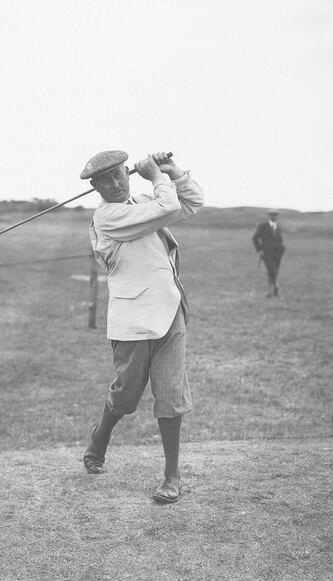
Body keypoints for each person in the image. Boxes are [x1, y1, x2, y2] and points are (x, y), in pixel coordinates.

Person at [82, 150, 204, 504]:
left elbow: (192, 202)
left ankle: (172, 476)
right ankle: (99, 439)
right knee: (126, 397)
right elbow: (167, 208)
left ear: (127, 172)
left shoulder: (146, 202)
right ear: (95, 187)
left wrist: (173, 172)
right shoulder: (108, 216)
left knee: (170, 396)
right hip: (132, 323)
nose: (116, 183)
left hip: (170, 312)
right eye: (106, 180)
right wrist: (157, 178)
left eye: (120, 174)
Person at [252, 209, 285, 297]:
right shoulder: (263, 226)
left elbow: (280, 240)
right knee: (272, 271)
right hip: (267, 253)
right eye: (272, 215)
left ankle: (270, 292)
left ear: (277, 216)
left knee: (274, 272)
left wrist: (281, 249)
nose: (273, 217)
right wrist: (260, 250)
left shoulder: (278, 227)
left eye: (275, 215)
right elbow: (255, 238)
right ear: (269, 216)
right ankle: (276, 287)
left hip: (277, 253)